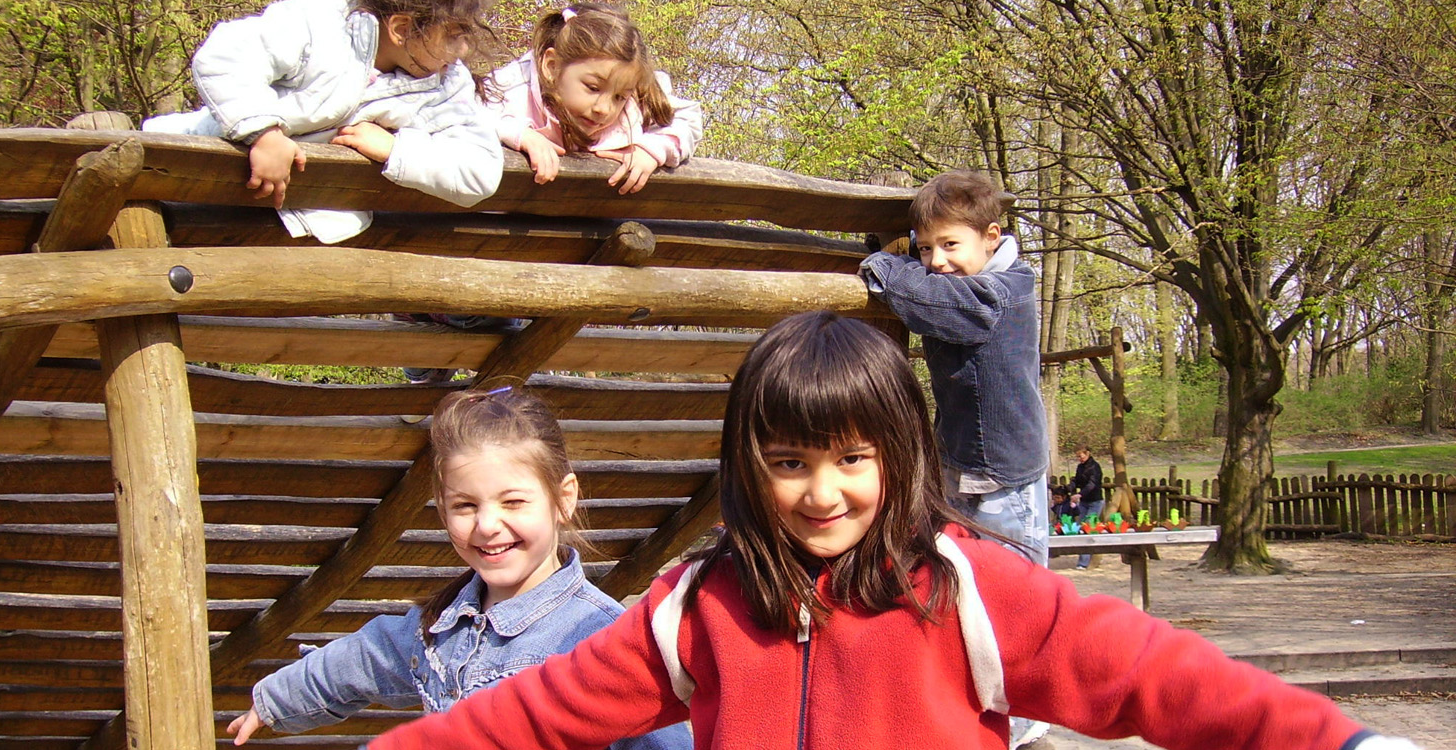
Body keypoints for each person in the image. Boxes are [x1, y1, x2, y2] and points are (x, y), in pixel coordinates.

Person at [364, 311, 1421, 750]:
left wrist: (1337, 739)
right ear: (750, 467)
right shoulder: (702, 607)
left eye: (851, 460)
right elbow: (538, 712)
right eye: (788, 464)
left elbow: (1153, 671)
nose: (822, 492)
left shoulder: (967, 588)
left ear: (898, 458)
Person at [225, 387, 690, 749]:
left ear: (562, 499)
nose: (488, 526)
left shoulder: (602, 637)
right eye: (465, 505)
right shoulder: (441, 626)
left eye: (513, 501)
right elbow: (363, 660)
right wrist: (274, 702)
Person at [858, 170, 1051, 745]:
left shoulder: (1003, 289)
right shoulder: (969, 280)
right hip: (965, 466)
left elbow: (938, 303)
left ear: (992, 236)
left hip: (1005, 477)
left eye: (950, 245)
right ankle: (972, 708)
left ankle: (1021, 726)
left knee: (1013, 599)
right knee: (960, 588)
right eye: (924, 248)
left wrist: (886, 267)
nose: (936, 261)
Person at [143, 0, 505, 243]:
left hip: (301, 224)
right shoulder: (319, 23)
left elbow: (481, 170)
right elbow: (223, 57)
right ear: (401, 28)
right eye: (454, 37)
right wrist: (264, 133)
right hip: (193, 183)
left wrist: (398, 150)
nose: (463, 51)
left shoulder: (445, 83)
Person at [486, 3, 703, 195]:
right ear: (552, 66)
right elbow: (464, 111)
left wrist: (653, 149)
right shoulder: (510, 88)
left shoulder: (638, 98)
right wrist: (521, 135)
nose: (604, 109)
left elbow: (687, 119)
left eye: (619, 97)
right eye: (593, 88)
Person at [1067, 445, 1105, 569]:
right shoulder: (1080, 467)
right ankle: (1084, 559)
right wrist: (1072, 485)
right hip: (1083, 502)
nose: (1079, 458)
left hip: (1095, 501)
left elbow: (1092, 484)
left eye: (1081, 456)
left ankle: (1083, 563)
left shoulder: (1095, 467)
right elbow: (1078, 480)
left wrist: (1080, 494)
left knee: (1088, 527)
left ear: (1087, 453)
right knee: (1079, 527)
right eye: (1077, 456)